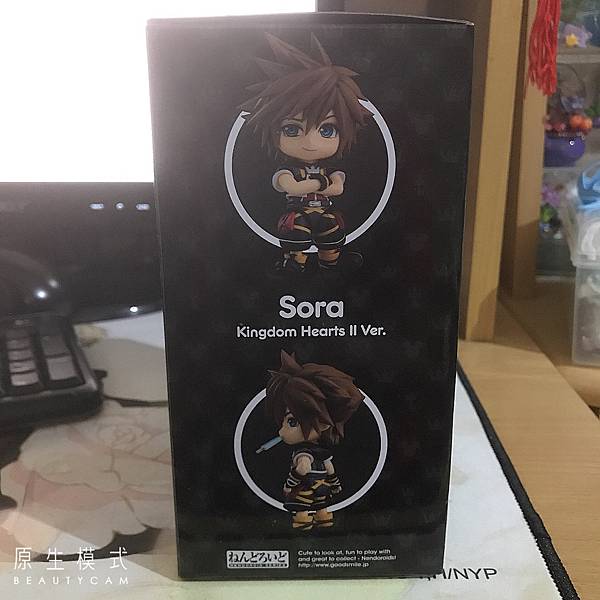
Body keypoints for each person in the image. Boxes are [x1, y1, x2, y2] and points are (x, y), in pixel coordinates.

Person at [242, 33, 371, 273]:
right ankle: (294, 262)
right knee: (296, 231)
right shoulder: (287, 171)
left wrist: (315, 184)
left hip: (324, 211)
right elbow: (290, 186)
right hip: (299, 212)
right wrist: (321, 183)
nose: (310, 142)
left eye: (327, 130)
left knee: (332, 228)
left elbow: (337, 188)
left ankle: (331, 260)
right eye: (292, 129)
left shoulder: (330, 170)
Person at [265, 350, 364, 531]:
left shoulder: (303, 453)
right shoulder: (321, 452)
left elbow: (303, 468)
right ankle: (324, 520)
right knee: (322, 506)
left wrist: (289, 485)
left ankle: (303, 524)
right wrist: (335, 484)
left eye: (292, 422)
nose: (281, 431)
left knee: (302, 509)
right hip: (323, 486)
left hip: (305, 487)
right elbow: (329, 468)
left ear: (324, 423)